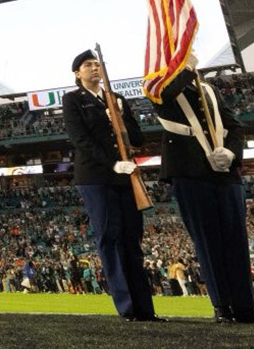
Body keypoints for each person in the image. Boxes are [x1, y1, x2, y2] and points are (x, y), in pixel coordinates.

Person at [147, 67, 254, 325]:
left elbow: (234, 125)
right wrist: (182, 68)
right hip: (190, 170)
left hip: (224, 171)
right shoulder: (158, 85)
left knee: (236, 241)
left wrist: (231, 152)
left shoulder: (209, 89)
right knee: (208, 241)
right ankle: (223, 306)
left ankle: (244, 307)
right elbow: (164, 95)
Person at [61, 50, 159, 322]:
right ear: (77, 73)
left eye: (96, 64)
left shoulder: (115, 99)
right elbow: (80, 140)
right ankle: (127, 307)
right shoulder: (73, 100)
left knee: (132, 239)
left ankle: (145, 308)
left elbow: (137, 138)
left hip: (126, 176)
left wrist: (120, 112)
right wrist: (112, 164)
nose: (94, 68)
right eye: (87, 65)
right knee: (110, 238)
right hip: (96, 176)